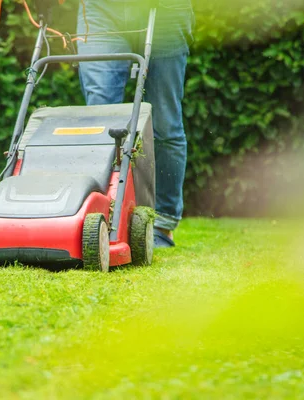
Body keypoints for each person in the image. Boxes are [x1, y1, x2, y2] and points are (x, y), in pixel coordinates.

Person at [75, 0, 194, 248]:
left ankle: (162, 225)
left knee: (164, 123)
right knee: (101, 120)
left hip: (167, 11)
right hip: (102, 9)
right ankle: (99, 219)